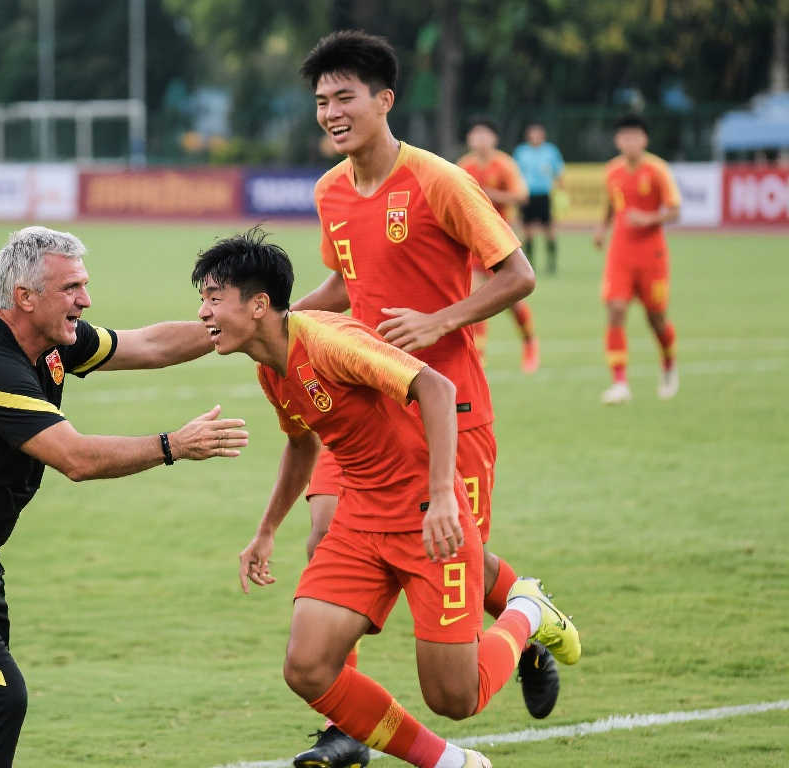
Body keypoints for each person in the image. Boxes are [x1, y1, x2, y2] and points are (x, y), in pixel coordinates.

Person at [0, 226, 249, 767]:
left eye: (83, 286)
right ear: (25, 298)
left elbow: (148, 345)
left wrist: (237, 326)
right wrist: (173, 444)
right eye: (71, 289)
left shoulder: (52, 341)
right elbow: (76, 458)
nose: (85, 300)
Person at [192, 229, 580, 768]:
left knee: (455, 697)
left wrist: (443, 497)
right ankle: (449, 763)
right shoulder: (270, 367)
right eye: (202, 299)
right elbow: (301, 443)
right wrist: (266, 530)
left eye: (214, 298)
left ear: (259, 305)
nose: (204, 313)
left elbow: (437, 389)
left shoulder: (330, 341)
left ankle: (526, 611)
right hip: (359, 521)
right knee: (306, 667)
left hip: (424, 517)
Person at [288, 31, 554, 768]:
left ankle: (525, 612)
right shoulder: (329, 192)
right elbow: (345, 287)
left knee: (453, 680)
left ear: (385, 100)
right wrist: (278, 327)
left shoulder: (438, 180)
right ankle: (349, 724)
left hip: (451, 414)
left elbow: (518, 274)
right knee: (325, 537)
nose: (332, 113)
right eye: (321, 102)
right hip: (368, 412)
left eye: (345, 97)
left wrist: (438, 321)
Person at [593, 114, 681, 404]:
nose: (629, 142)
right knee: (615, 310)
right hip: (620, 253)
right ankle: (619, 382)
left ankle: (668, 363)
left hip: (652, 255)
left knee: (656, 318)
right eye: (624, 136)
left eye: (635, 136)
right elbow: (611, 203)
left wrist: (648, 218)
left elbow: (674, 211)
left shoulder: (657, 170)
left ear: (644, 139)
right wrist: (602, 229)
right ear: (618, 140)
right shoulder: (612, 171)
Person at [457, 117, 539, 374]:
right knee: (475, 298)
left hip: (500, 243)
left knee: (512, 302)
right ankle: (478, 357)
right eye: (475, 134)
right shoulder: (464, 165)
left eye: (485, 135)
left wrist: (492, 195)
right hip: (473, 242)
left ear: (494, 139)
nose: (480, 139)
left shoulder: (504, 164)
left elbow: (522, 195)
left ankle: (529, 341)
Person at [514, 122, 565, 275]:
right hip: (527, 196)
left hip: (544, 195)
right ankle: (529, 263)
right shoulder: (521, 151)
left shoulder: (550, 151)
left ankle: (551, 263)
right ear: (528, 136)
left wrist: (561, 191)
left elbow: (559, 171)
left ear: (543, 136)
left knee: (549, 229)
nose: (535, 137)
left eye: (538, 134)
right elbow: (515, 174)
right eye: (533, 134)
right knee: (527, 230)